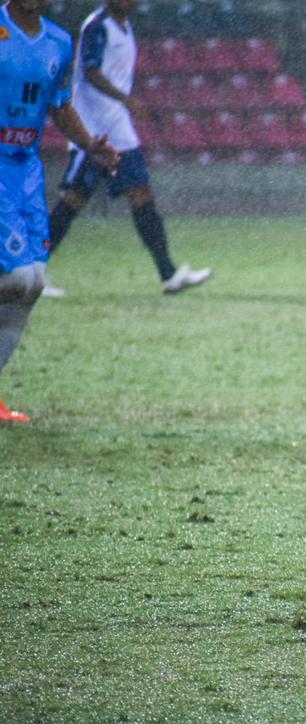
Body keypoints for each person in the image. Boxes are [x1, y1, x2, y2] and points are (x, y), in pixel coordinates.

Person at [0, 0, 118, 424]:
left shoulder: (59, 41)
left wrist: (90, 145)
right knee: (16, 278)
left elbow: (61, 105)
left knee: (30, 287)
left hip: (25, 171)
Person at [43, 0, 210, 297]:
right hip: (93, 130)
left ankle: (169, 274)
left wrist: (123, 106)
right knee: (73, 200)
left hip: (119, 129)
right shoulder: (98, 26)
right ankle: (32, 272)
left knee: (141, 194)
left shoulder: (125, 27)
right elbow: (91, 72)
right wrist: (127, 100)